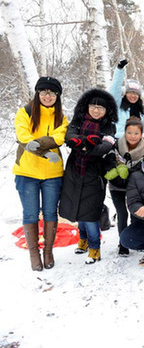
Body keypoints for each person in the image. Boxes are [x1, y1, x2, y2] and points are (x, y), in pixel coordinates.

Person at [13, 77, 68, 271]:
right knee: (30, 213)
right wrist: (45, 151)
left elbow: (59, 137)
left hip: (52, 174)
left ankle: (48, 251)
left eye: (52, 93)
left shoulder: (61, 117)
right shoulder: (24, 113)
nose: (47, 96)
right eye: (43, 92)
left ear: (57, 96)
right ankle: (34, 254)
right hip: (27, 172)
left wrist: (41, 144)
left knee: (50, 213)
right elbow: (24, 138)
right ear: (37, 93)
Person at [59, 89, 118, 264]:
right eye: (93, 106)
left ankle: (94, 248)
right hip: (74, 172)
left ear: (107, 110)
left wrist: (83, 145)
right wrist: (87, 142)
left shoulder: (109, 127)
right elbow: (69, 136)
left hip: (95, 174)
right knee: (77, 210)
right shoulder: (77, 122)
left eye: (101, 107)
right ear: (87, 106)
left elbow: (103, 148)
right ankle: (83, 240)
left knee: (90, 213)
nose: (96, 110)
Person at [106, 117, 144, 256]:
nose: (133, 136)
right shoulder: (116, 145)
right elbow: (109, 161)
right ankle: (122, 243)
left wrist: (128, 173)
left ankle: (133, 239)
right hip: (116, 185)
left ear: (141, 134)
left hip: (133, 186)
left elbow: (143, 169)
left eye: (136, 133)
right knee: (122, 213)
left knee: (134, 213)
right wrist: (115, 173)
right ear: (124, 132)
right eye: (129, 132)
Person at [109, 59, 144, 142]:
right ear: (125, 94)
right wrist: (120, 70)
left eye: (136, 94)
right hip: (119, 140)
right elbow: (114, 89)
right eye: (130, 93)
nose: (133, 96)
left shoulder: (142, 110)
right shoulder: (118, 104)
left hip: (136, 142)